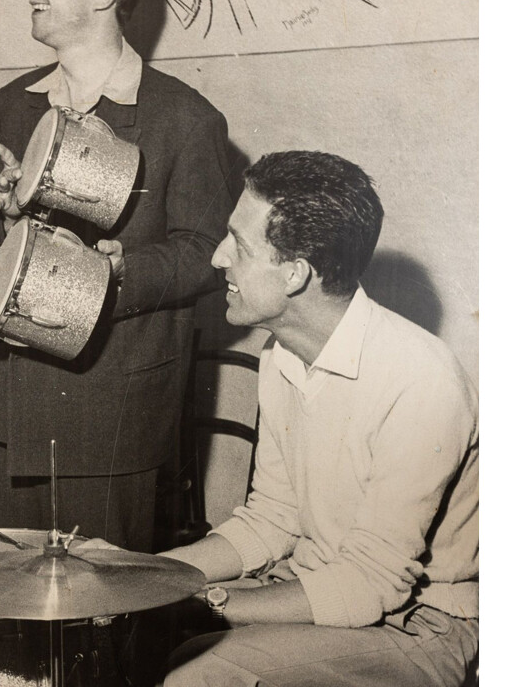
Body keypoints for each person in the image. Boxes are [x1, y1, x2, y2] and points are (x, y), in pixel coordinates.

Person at [83, 150, 479, 686]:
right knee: (133, 638)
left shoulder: (421, 379)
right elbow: (271, 519)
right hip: (319, 583)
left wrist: (198, 599)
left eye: (240, 246)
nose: (219, 258)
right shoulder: (281, 354)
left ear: (294, 274)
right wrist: (146, 575)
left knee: (198, 676)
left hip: (420, 626)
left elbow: (371, 585)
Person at [0, 0, 234, 553]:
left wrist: (117, 275)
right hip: (7, 408)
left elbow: (207, 253)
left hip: (113, 414)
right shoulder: (15, 102)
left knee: (107, 621)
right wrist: (0, 212)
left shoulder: (185, 118)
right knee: (12, 616)